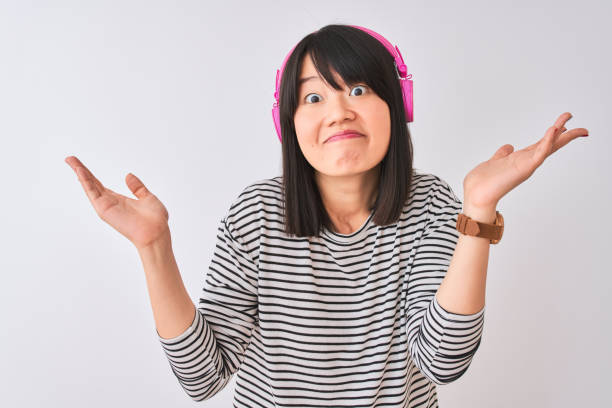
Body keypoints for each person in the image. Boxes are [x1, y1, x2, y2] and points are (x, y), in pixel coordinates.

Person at [65, 24, 588, 408]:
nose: (338, 110)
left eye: (358, 89)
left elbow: (443, 363)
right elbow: (203, 378)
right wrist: (154, 249)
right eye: (313, 96)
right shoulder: (256, 213)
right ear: (289, 123)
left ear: (397, 104)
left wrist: (477, 209)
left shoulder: (429, 204)